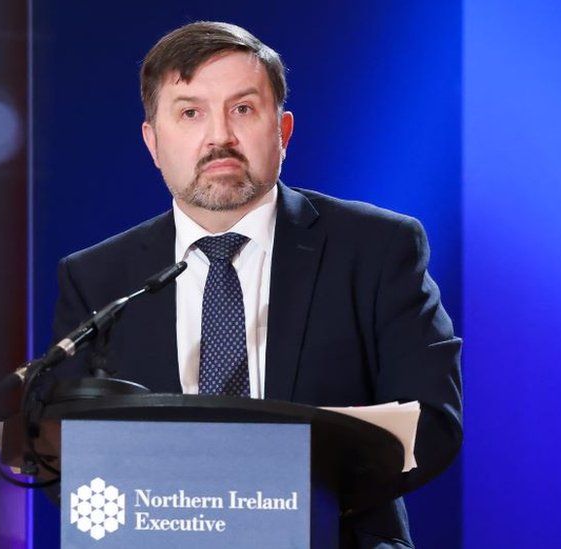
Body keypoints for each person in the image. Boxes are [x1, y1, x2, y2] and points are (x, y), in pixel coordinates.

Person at [49, 21, 461, 548]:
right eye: (190, 113)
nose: (219, 135)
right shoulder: (98, 278)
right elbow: (65, 453)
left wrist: (285, 501)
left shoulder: (378, 248)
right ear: (153, 142)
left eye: (242, 109)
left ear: (283, 132)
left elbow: (433, 422)